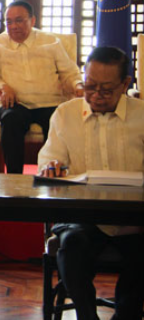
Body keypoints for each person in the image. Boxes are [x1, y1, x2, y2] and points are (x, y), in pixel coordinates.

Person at [38, 46, 144, 320]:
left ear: (125, 84)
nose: (96, 95)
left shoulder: (142, 116)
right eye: (90, 86)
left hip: (135, 218)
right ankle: (87, 316)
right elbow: (49, 161)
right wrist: (51, 168)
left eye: (107, 89)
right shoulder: (65, 114)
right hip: (81, 217)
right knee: (71, 246)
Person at [0, 0, 84, 174]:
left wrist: (78, 86)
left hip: (50, 102)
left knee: (58, 120)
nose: (13, 26)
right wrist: (2, 86)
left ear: (32, 20)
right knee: (10, 119)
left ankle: (53, 174)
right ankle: (14, 178)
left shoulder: (50, 41)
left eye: (19, 20)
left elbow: (69, 72)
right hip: (16, 103)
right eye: (9, 22)